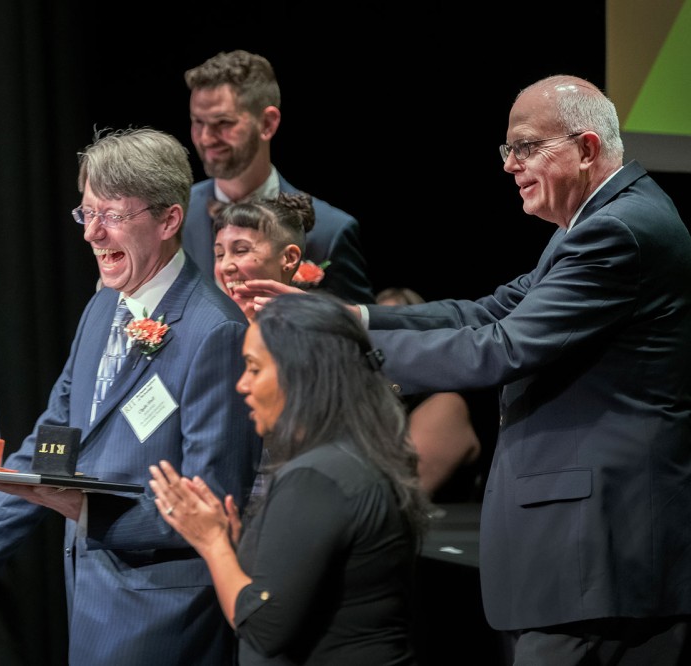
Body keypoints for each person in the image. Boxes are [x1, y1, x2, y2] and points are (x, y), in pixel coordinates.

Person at [237, 74, 691, 664]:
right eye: (508, 148)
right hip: (583, 562)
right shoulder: (598, 223)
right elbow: (486, 311)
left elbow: (501, 347)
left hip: (599, 558)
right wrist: (349, 317)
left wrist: (343, 352)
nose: (510, 165)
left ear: (586, 149)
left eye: (527, 147)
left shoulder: (617, 231)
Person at [0, 127, 263, 665]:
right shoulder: (102, 309)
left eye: (113, 215)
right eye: (87, 213)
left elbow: (213, 505)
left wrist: (85, 510)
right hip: (91, 603)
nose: (93, 234)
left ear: (169, 220)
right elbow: (47, 445)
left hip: (167, 619)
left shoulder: (215, 332)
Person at [149, 292, 430, 664]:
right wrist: (240, 548)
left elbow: (263, 627)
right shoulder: (348, 458)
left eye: (254, 368)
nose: (242, 385)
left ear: (301, 372)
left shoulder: (318, 477)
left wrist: (212, 542)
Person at [181, 49, 375, 304]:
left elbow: (354, 325)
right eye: (198, 122)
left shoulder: (330, 231)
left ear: (267, 123)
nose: (206, 138)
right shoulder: (175, 215)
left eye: (223, 123)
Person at [375, 287, 494, 502]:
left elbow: (403, 495)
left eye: (391, 329)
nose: (383, 341)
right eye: (375, 330)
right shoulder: (377, 400)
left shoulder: (444, 403)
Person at [213, 192, 313, 319]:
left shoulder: (317, 327)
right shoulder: (208, 325)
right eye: (220, 254)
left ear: (289, 258)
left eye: (241, 250)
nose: (225, 267)